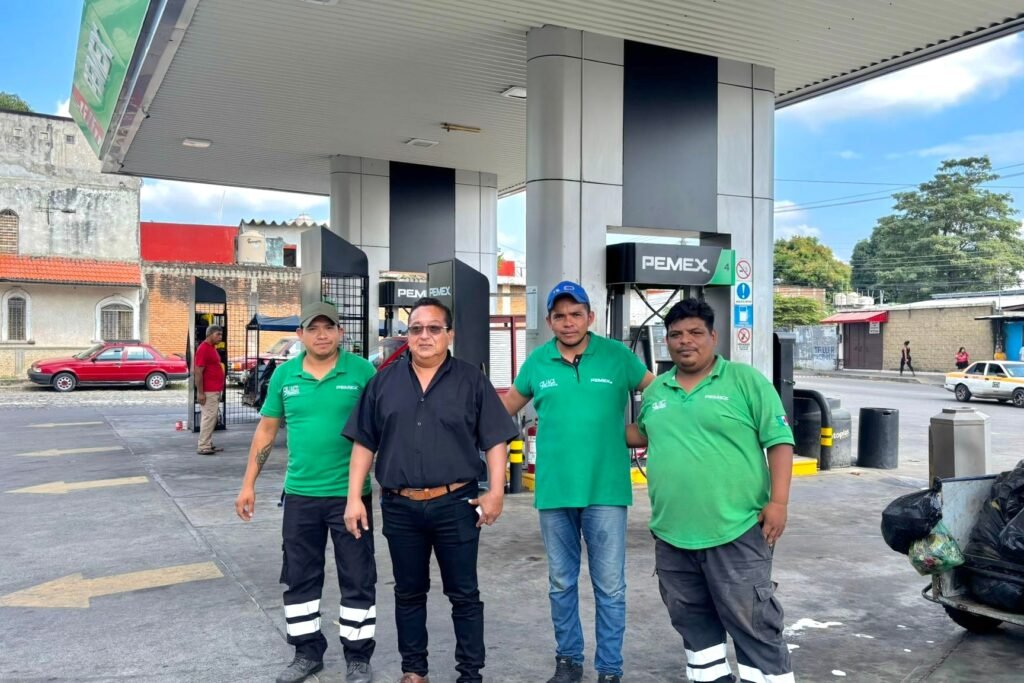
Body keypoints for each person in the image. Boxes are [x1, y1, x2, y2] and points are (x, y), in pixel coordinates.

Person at [342, 297, 518, 683]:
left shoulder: (471, 380)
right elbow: (364, 443)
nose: (424, 336)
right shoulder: (382, 383)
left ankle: (470, 673)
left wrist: (496, 492)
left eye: (434, 328)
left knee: (464, 594)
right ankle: (414, 670)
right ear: (407, 335)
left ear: (449, 334)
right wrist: (354, 497)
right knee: (408, 592)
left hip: (456, 503)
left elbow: (495, 439)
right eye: (416, 329)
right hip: (400, 507)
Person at [628, 298, 796, 683]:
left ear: (713, 337)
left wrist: (779, 501)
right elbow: (642, 433)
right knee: (693, 625)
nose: (685, 341)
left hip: (736, 529)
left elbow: (780, 440)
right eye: (676, 335)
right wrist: (580, 421)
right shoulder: (658, 390)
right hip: (672, 535)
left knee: (754, 623)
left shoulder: (744, 380)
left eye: (695, 333)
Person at [501, 281, 653, 683]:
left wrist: (642, 431)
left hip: (606, 491)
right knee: (561, 582)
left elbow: (661, 394)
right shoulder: (538, 362)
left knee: (611, 587)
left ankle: (609, 670)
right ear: (550, 321)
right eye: (560, 316)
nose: (568, 322)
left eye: (576, 314)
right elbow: (504, 409)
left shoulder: (617, 356)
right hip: (554, 492)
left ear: (590, 317)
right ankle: (568, 660)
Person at [234, 302, 378, 683]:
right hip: (300, 495)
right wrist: (248, 483)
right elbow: (266, 431)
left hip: (351, 496)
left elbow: (383, 426)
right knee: (300, 577)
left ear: (341, 332)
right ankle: (306, 652)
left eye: (329, 327)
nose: (321, 335)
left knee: (358, 576)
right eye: (313, 328)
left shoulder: (363, 372)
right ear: (300, 335)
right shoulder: (285, 375)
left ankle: (358, 657)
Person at [194, 324, 225, 455]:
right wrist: (200, 392)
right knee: (209, 417)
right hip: (208, 390)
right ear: (210, 334)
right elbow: (198, 372)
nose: (220, 337)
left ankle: (208, 443)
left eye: (221, 334)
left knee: (212, 417)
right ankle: (203, 446)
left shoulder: (211, 348)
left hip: (214, 389)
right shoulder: (204, 349)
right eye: (218, 334)